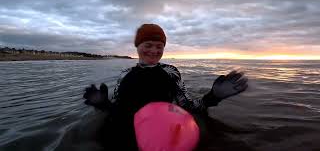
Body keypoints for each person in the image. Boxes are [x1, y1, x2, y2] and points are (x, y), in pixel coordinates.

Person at [83, 23, 248, 150]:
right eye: (148, 45)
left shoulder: (171, 72)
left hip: (163, 132)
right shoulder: (125, 74)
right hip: (126, 131)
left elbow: (188, 106)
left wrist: (214, 96)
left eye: (159, 46)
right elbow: (117, 108)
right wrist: (102, 104)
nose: (154, 50)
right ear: (138, 46)